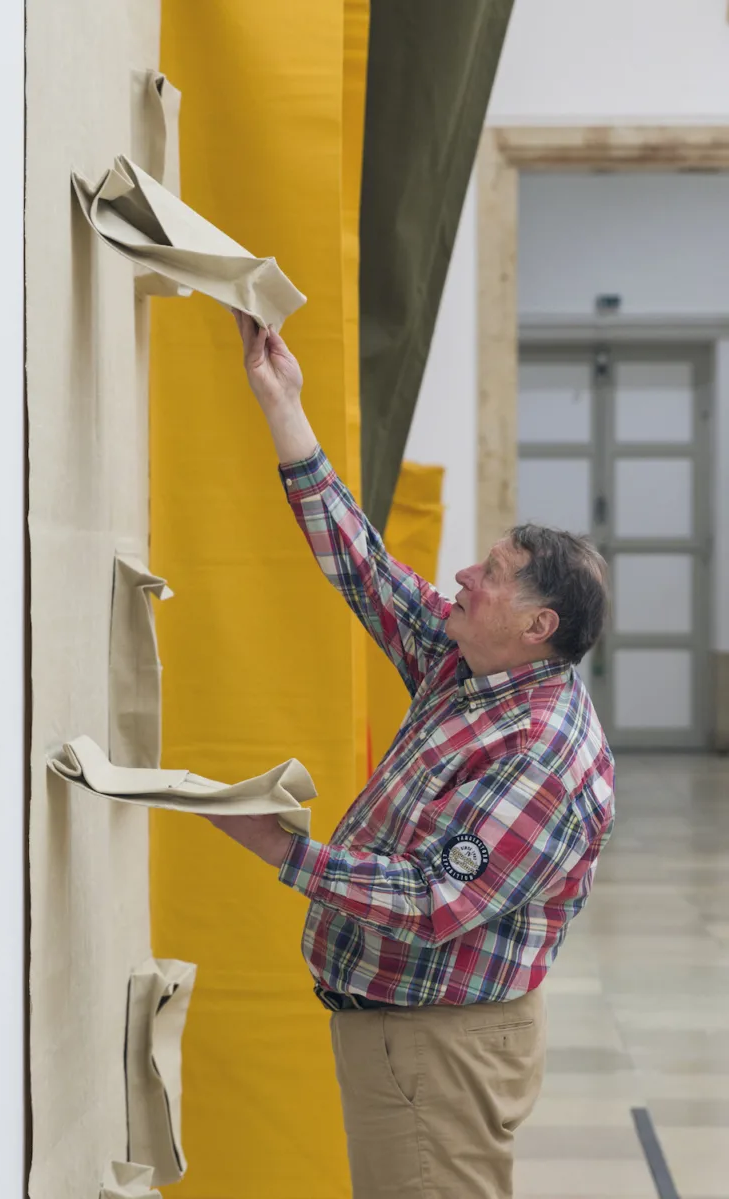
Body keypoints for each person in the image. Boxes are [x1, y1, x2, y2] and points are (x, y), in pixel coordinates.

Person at [206, 312, 615, 1199]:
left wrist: (287, 851)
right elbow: (362, 563)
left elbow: (438, 899)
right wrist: (285, 406)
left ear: (538, 626)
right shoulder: (470, 661)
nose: (465, 576)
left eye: (493, 573)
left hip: (444, 1048)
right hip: (407, 1033)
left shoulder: (543, 750)